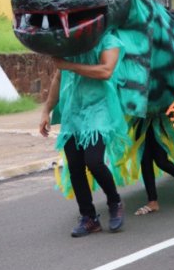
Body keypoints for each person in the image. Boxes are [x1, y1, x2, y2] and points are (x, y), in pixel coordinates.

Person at [39, 32, 126, 237]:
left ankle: (115, 202)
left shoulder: (109, 40)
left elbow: (106, 71)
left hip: (99, 110)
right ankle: (89, 217)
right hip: (73, 112)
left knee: (94, 161)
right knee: (75, 167)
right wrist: (46, 111)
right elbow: (59, 77)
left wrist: (69, 65)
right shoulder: (70, 44)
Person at [134, 125, 174, 215]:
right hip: (140, 123)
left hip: (158, 123)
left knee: (161, 161)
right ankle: (152, 202)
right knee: (145, 161)